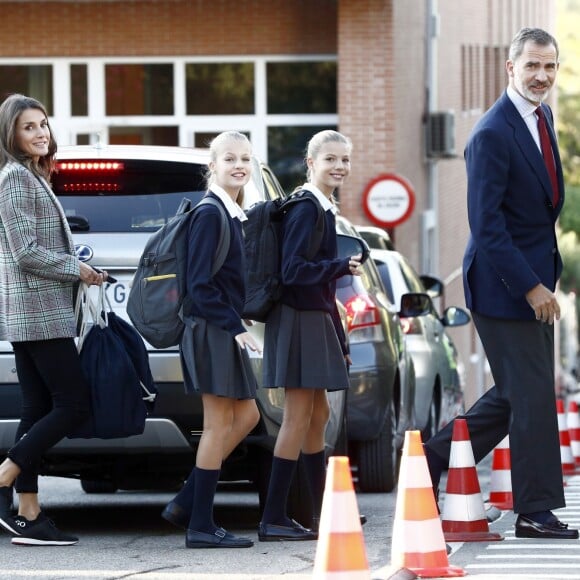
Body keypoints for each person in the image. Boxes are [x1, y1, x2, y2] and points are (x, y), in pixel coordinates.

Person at [424, 28, 578, 539]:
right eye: (532, 65)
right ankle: (535, 512)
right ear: (509, 67)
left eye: (550, 67)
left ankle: (426, 463)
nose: (542, 76)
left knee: (517, 394)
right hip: (503, 284)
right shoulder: (491, 133)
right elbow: (486, 224)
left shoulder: (541, 117)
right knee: (531, 395)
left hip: (531, 279)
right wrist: (532, 287)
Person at [0, 93, 107, 546]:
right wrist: (76, 269)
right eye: (29, 127)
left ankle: (27, 514)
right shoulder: (14, 178)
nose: (40, 132)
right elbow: (25, 252)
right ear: (11, 134)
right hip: (39, 311)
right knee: (72, 405)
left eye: (43, 124)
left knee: (37, 409)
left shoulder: (32, 175)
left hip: (35, 310)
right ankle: (6, 472)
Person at [257, 130, 362, 541]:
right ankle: (274, 518)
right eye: (331, 159)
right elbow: (293, 273)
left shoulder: (323, 206)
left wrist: (340, 337)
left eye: (345, 160)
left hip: (313, 319)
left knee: (319, 416)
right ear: (310, 162)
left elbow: (319, 290)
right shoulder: (306, 208)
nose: (339, 167)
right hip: (297, 319)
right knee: (299, 417)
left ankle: (322, 512)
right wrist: (340, 266)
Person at [161, 131, 261, 549]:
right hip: (212, 331)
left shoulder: (229, 213)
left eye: (245, 159)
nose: (239, 165)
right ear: (213, 165)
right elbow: (199, 286)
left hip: (223, 329)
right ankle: (200, 524)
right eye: (230, 159)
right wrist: (236, 327)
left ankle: (188, 501)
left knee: (249, 416)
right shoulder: (209, 214)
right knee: (218, 426)